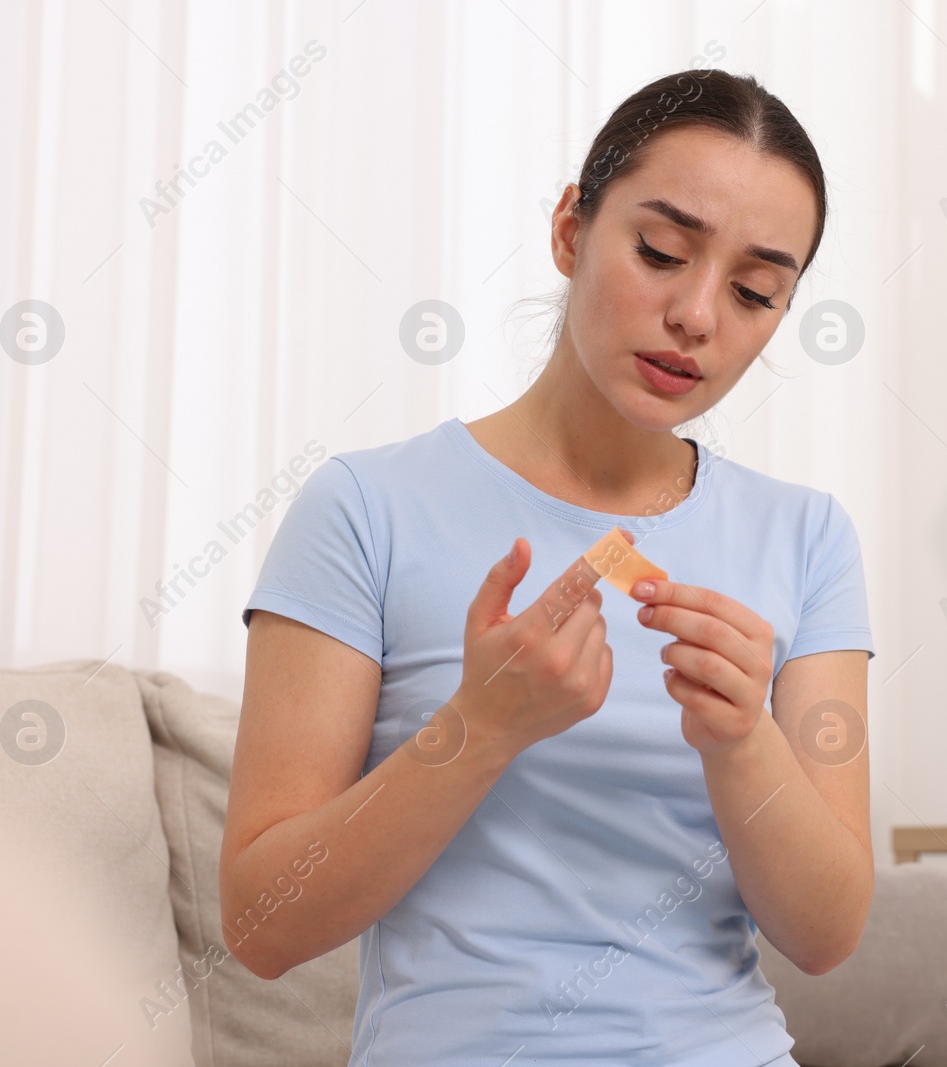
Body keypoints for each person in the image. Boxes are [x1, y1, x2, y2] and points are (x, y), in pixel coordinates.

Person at [222, 66, 876, 1066]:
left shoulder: (807, 535)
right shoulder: (364, 508)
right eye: (661, 251)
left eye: (754, 292)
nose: (698, 315)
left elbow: (826, 936)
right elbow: (262, 927)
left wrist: (743, 741)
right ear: (572, 228)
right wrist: (480, 727)